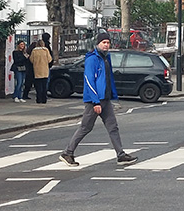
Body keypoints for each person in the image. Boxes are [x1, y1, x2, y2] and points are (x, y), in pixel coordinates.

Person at [59, 32, 137, 167]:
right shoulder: (92, 59)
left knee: (113, 127)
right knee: (85, 127)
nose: (106, 45)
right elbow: (89, 81)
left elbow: (107, 78)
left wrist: (111, 95)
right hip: (94, 101)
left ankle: (121, 155)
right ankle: (68, 153)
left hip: (105, 99)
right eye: (104, 43)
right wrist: (95, 101)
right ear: (98, 44)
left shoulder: (106, 58)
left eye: (108, 43)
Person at [29, 40, 53, 104]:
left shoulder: (34, 51)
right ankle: (44, 99)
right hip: (45, 70)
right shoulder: (46, 50)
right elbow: (49, 59)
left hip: (37, 70)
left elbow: (31, 60)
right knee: (44, 86)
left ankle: (39, 99)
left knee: (38, 86)